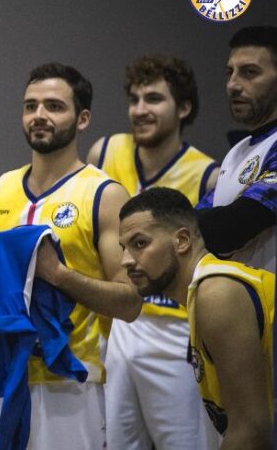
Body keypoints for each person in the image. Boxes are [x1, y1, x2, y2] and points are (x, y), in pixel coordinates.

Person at [0, 62, 141, 449]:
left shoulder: (105, 195)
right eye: (30, 105)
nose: (39, 115)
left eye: (54, 106)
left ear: (82, 118)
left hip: (68, 386)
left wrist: (59, 275)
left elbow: (130, 302)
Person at [87, 54, 219, 449]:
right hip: (120, 326)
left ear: (183, 108)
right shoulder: (104, 152)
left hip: (177, 329)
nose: (140, 110)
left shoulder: (208, 173)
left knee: (183, 442)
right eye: (134, 99)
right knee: (119, 443)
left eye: (153, 99)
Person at [119, 187, 274, 449]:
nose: (125, 260)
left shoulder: (216, 293)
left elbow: (251, 431)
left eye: (140, 244)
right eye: (123, 248)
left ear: (182, 241)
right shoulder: (201, 292)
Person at [197, 26, 277, 274]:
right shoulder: (239, 150)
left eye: (249, 72)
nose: (232, 85)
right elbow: (195, 220)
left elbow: (229, 229)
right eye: (229, 72)